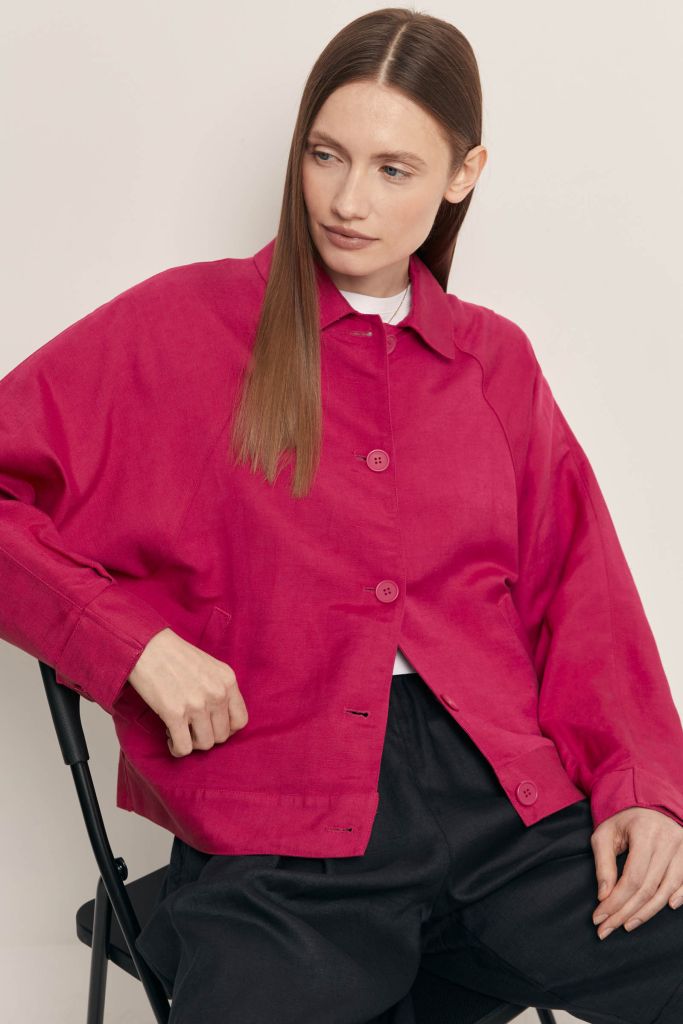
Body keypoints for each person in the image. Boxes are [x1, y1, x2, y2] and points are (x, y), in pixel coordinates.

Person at [1, 7, 682, 1023]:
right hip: (279, 831)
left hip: (510, 813)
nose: (347, 201)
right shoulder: (178, 328)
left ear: (463, 174)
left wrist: (642, 788)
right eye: (325, 155)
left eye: (393, 169)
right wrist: (128, 644)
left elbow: (579, 590)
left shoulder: (492, 360)